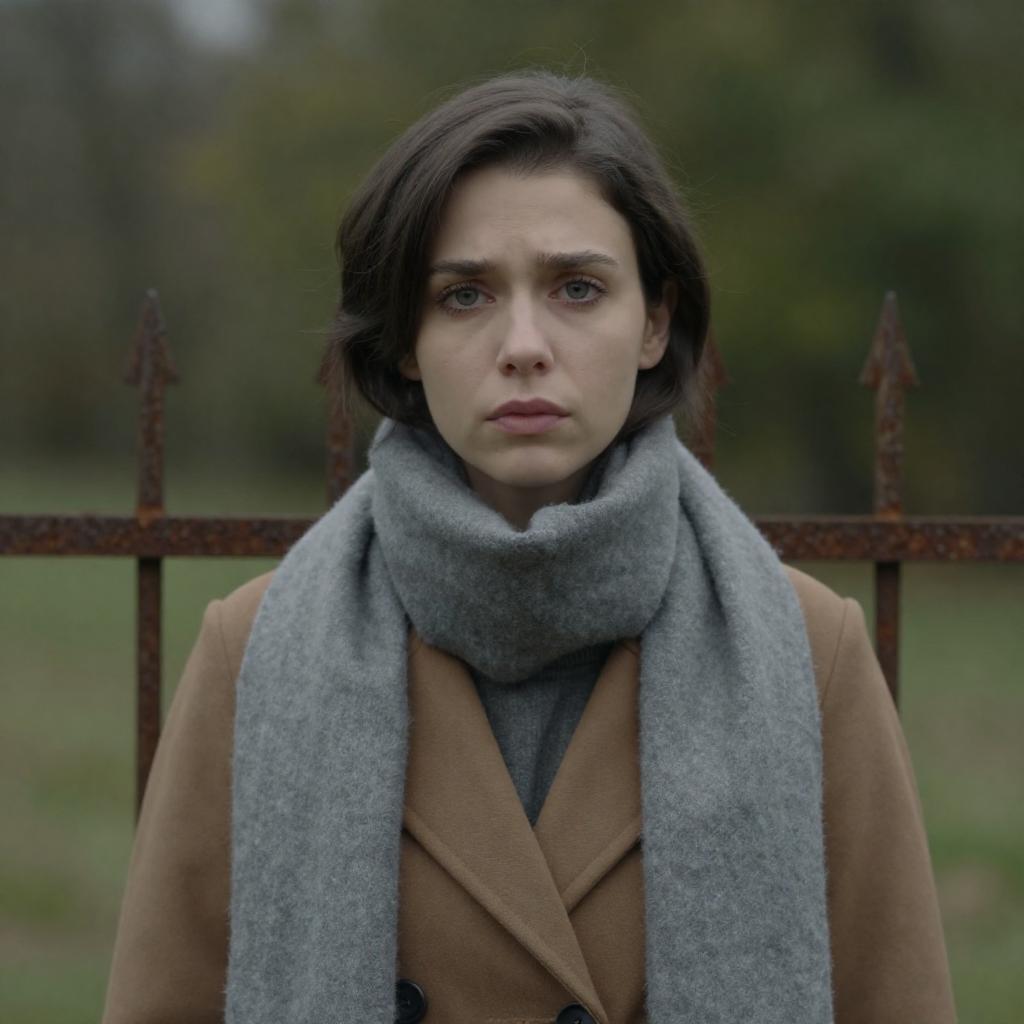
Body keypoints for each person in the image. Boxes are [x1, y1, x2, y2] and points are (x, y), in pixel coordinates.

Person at [101, 70, 956, 1024]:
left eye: (577, 289)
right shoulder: (256, 651)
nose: (523, 345)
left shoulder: (807, 652)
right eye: (465, 295)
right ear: (406, 341)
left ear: (655, 321)